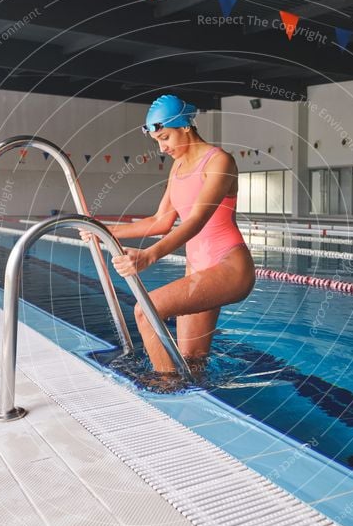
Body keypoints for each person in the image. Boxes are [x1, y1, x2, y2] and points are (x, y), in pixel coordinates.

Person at [81, 95, 255, 374]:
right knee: (191, 358)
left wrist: (151, 255)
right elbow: (160, 221)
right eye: (157, 141)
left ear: (185, 126)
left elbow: (197, 220)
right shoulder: (178, 167)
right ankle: (191, 398)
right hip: (198, 269)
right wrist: (103, 231)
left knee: (145, 312)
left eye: (165, 137)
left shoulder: (219, 161)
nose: (162, 148)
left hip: (229, 266)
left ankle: (165, 387)